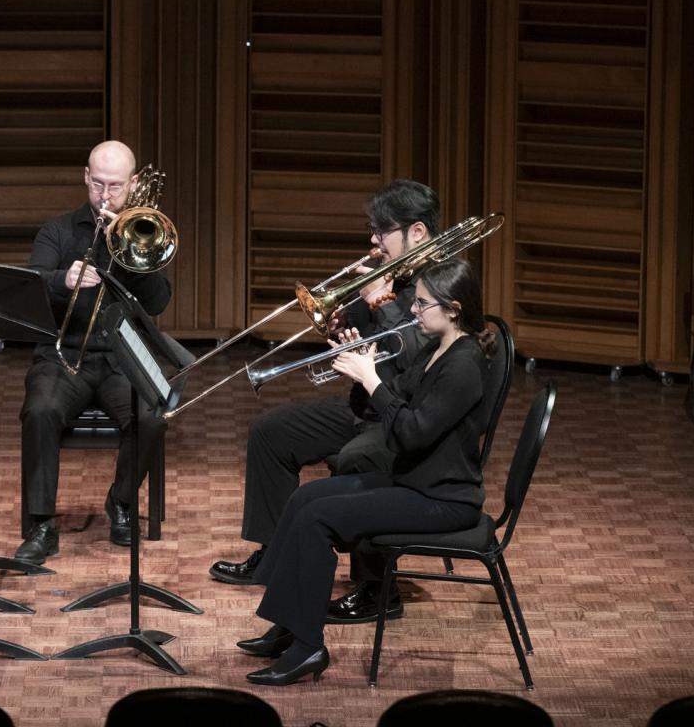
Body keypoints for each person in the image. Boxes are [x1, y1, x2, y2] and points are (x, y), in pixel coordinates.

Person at [237, 258, 492, 685]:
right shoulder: (436, 349)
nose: (413, 310)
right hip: (415, 481)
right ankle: (289, 624)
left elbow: (411, 432)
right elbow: (395, 399)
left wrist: (372, 381)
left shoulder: (464, 365)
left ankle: (307, 646)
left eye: (422, 304)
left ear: (453, 310)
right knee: (305, 497)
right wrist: (367, 367)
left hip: (443, 498)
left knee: (317, 518)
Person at [209, 179, 440, 607]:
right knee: (271, 432)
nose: (373, 240)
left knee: (358, 458)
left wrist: (381, 302)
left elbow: (417, 355)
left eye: (382, 230)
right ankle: (275, 555)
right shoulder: (391, 272)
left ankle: (376, 589)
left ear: (418, 232)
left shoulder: (441, 283)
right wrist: (343, 325)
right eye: (372, 229)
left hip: (404, 418)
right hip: (366, 404)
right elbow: (374, 341)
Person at [15, 140, 173, 563]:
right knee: (40, 411)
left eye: (115, 186)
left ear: (133, 184)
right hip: (64, 356)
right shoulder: (58, 231)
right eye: (98, 184)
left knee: (153, 414)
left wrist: (134, 257)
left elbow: (158, 302)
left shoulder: (145, 231)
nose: (105, 195)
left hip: (121, 358)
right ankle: (41, 524)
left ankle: (121, 502)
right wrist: (61, 280)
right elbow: (30, 283)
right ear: (86, 176)